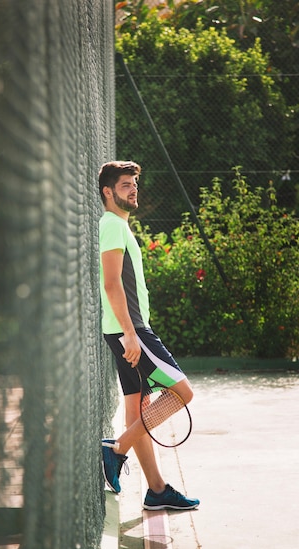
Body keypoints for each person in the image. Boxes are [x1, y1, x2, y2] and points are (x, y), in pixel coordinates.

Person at [99, 160, 199, 511]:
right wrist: (130, 333)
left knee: (136, 410)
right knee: (182, 392)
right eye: (126, 184)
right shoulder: (112, 225)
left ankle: (156, 489)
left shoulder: (118, 226)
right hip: (133, 332)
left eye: (135, 183)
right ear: (108, 192)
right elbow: (112, 283)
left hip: (125, 331)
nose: (133, 189)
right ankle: (117, 448)